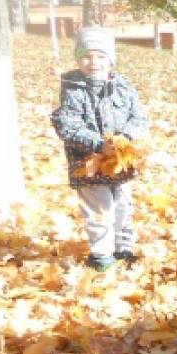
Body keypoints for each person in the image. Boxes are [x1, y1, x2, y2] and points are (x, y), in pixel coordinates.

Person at [50, 27, 149, 271]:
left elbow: (140, 117)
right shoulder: (72, 88)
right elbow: (66, 124)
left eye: (101, 56)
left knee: (123, 206)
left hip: (120, 161)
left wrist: (125, 137)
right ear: (78, 58)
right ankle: (101, 255)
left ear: (110, 59)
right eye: (87, 56)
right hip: (89, 164)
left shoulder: (123, 86)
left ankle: (122, 248)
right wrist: (96, 144)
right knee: (99, 209)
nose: (94, 62)